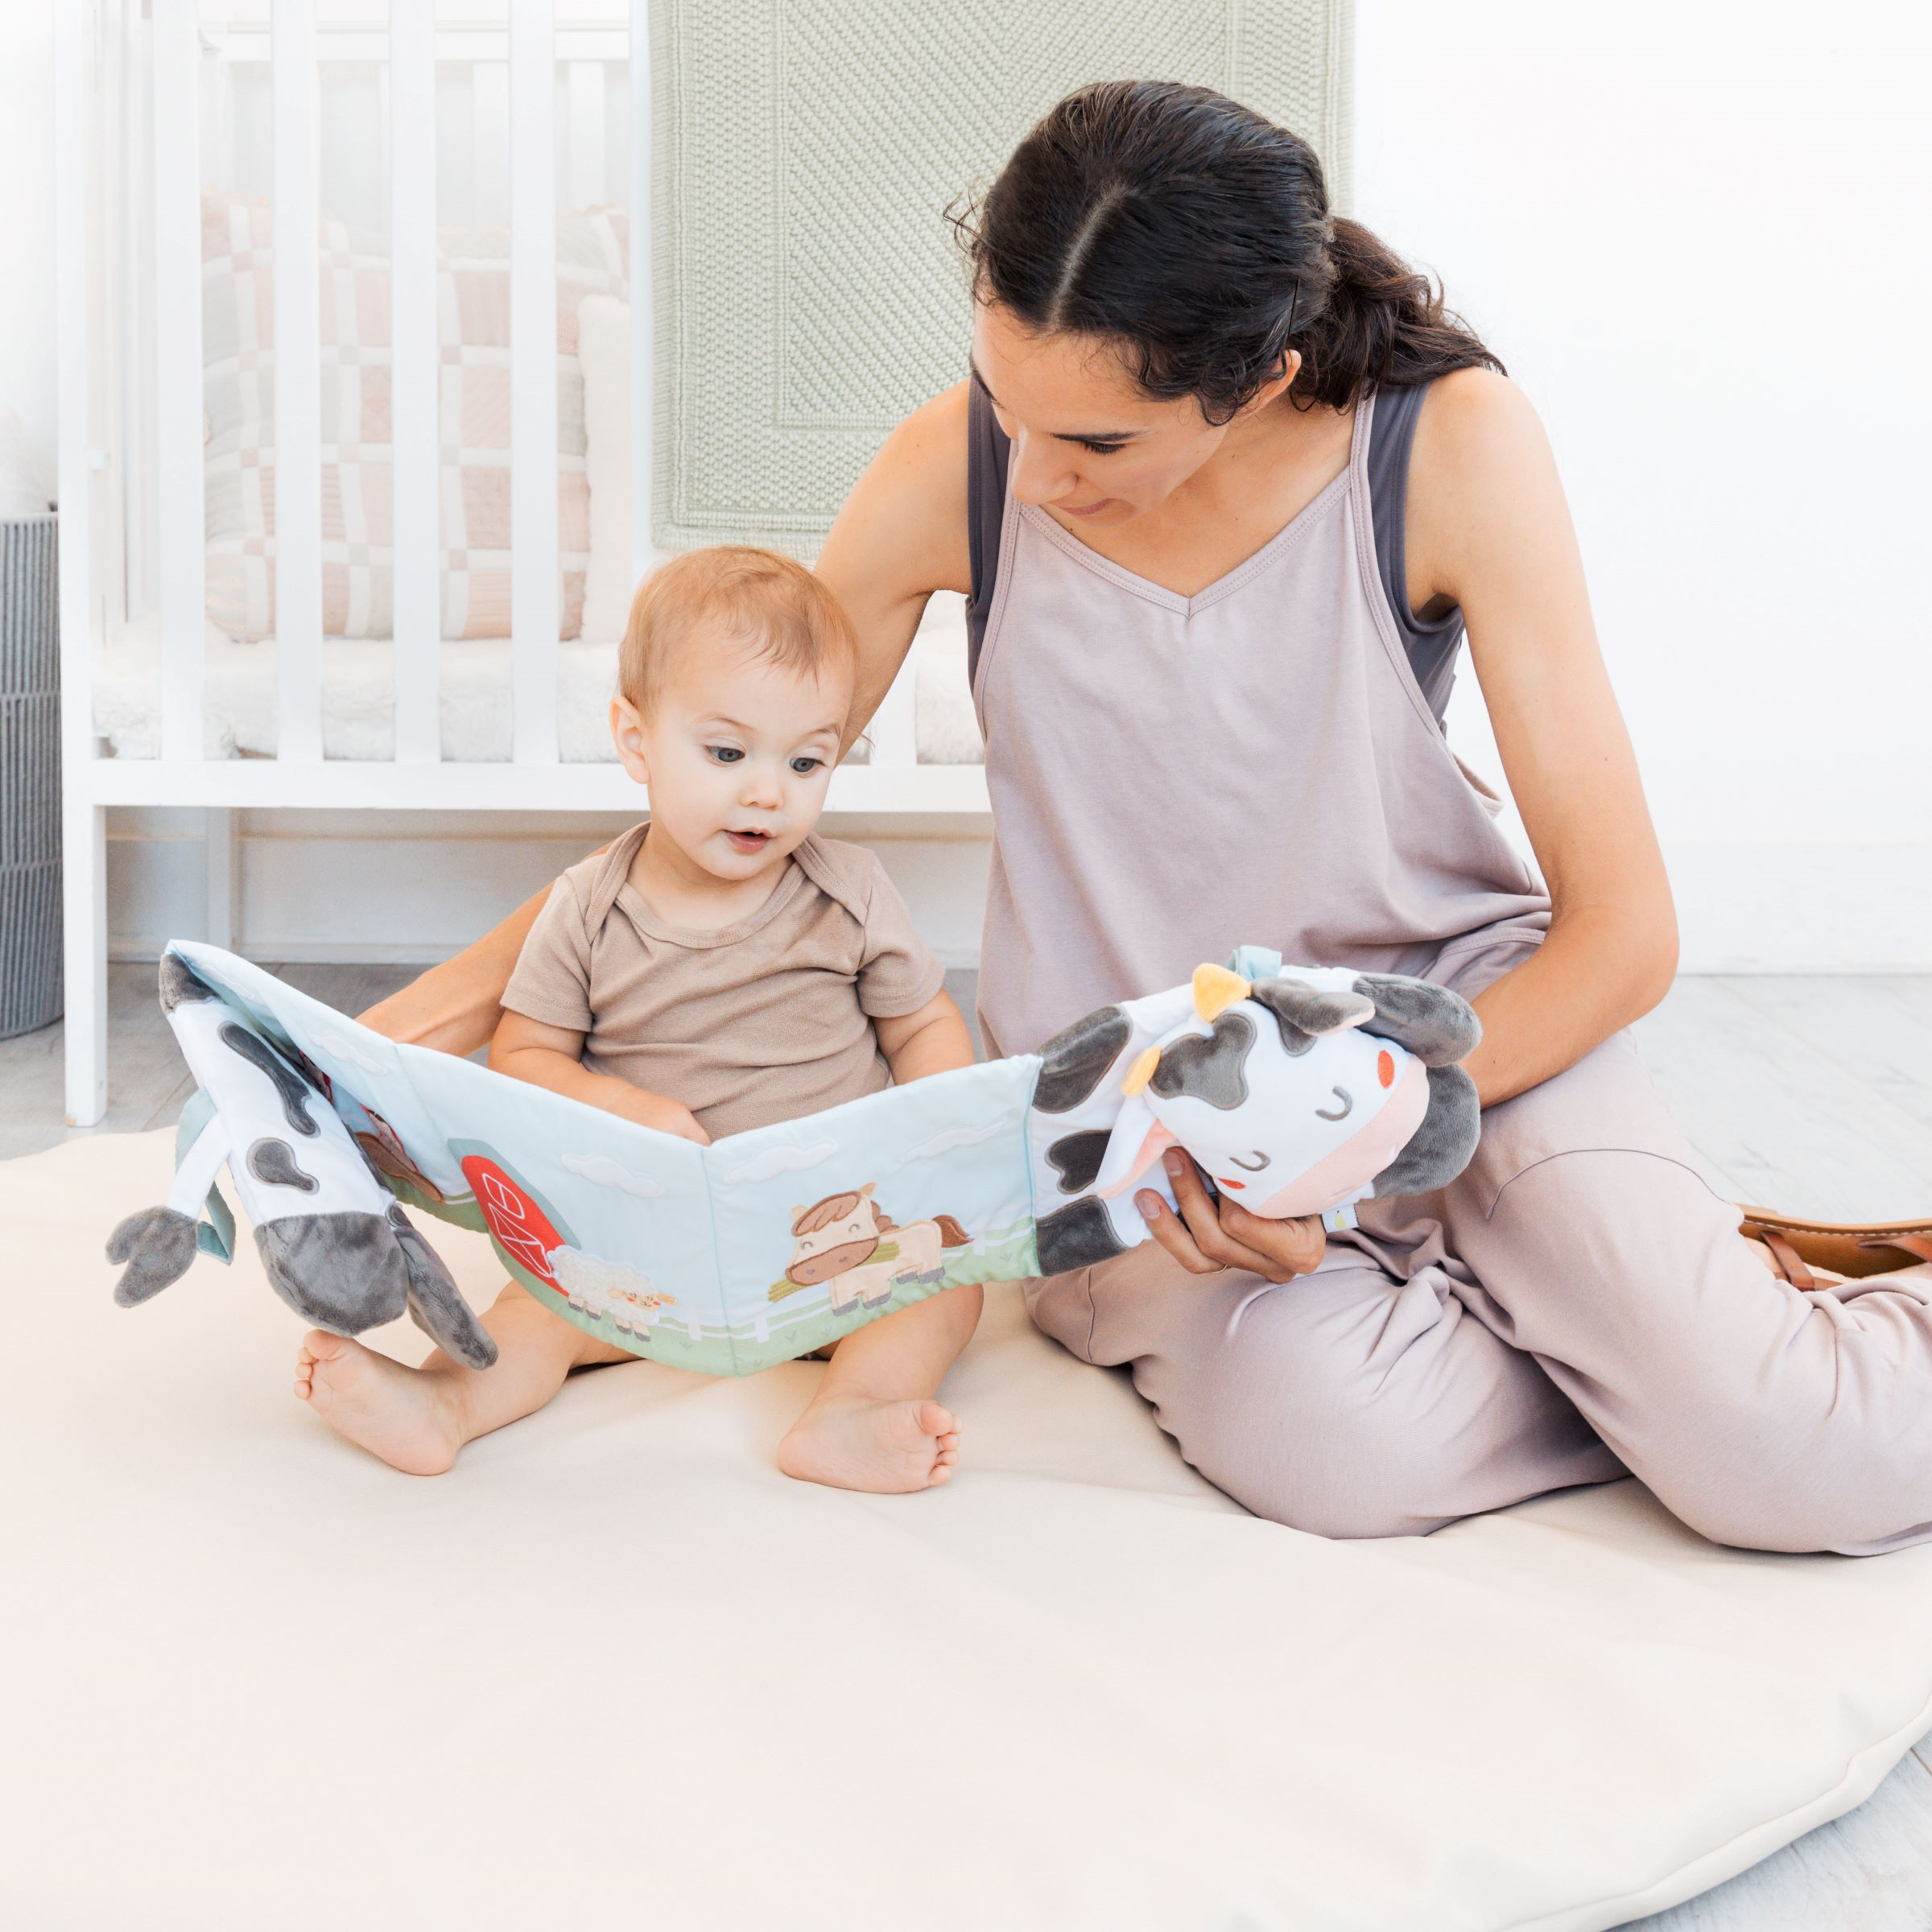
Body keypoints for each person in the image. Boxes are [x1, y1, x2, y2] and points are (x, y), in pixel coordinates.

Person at [364, 81, 1932, 1554]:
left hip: (1467, 1044)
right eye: (1009, 407)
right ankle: (1670, 1331)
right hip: (1148, 1132)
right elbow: (715, 798)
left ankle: (1704, 1347)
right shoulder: (954, 469)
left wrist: (1341, 1154)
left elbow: (1624, 935)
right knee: (1341, 1458)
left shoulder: (1445, 444)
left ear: (1259, 378)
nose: (1036, 476)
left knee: (1796, 1460)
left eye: (1100, 441)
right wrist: (397, 1048)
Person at [300, 547, 982, 1492]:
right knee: (541, 1303)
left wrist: (945, 1129)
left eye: (806, 761)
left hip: (832, 1239)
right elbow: (524, 1053)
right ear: (636, 741)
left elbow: (922, 1025)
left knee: (944, 1286)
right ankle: (445, 1403)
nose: (768, 791)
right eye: (727, 753)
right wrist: (619, 1104)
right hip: (644, 1248)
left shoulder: (850, 892)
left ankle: (852, 1411)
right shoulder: (587, 907)